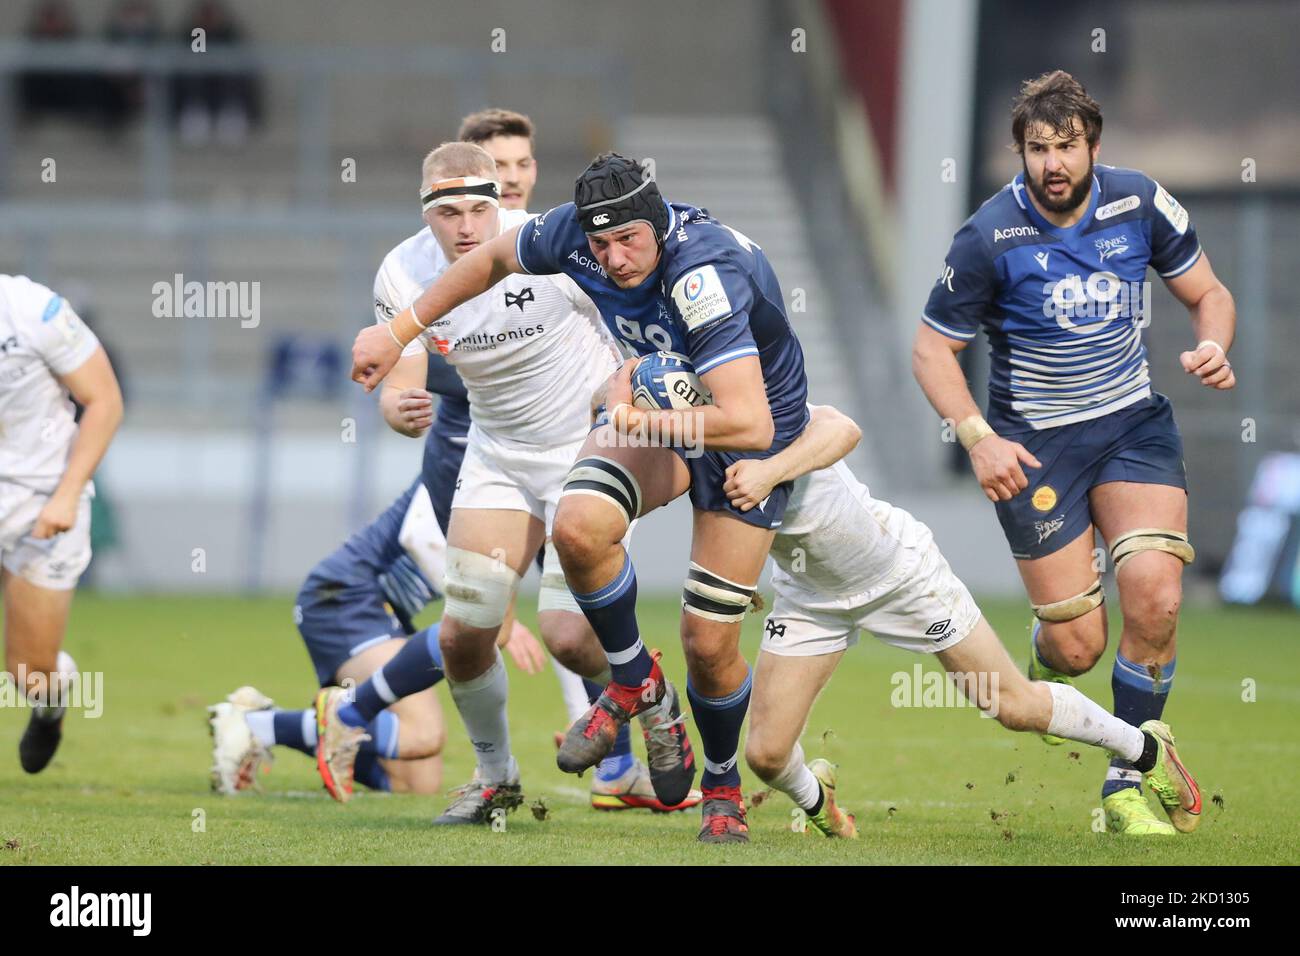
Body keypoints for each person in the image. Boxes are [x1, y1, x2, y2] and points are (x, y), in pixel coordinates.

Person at [350, 152, 810, 844]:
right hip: (649, 412)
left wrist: (631, 414)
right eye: (601, 244)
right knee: (578, 528)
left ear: (657, 225)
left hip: (748, 443)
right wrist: (397, 331)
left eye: (629, 240)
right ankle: (633, 682)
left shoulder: (701, 274)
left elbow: (750, 420)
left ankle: (722, 791)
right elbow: (492, 262)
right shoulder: (570, 237)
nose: (615, 259)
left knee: (708, 644)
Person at [322, 142, 701, 824]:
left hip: (588, 451)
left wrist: (631, 390)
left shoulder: (549, 248)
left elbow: (633, 321)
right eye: (448, 212)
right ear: (425, 213)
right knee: (464, 634)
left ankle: (656, 701)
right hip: (497, 454)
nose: (465, 224)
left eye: (478, 207)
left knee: (565, 636)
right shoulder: (401, 273)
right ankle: (496, 779)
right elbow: (400, 375)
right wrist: (396, 410)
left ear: (501, 203)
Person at [911, 70, 1234, 834]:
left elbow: (1208, 292)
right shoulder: (990, 234)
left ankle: (1125, 783)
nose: (1052, 163)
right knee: (1076, 648)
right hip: (1033, 450)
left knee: (1155, 597)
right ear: (1020, 153)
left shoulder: (1138, 201)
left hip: (1131, 427)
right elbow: (931, 350)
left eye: (1066, 146)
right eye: (1036, 149)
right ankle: (1049, 647)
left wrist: (1215, 342)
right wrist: (979, 441)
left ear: (1093, 145)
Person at [713, 404, 1201, 840]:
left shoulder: (768, 401)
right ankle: (821, 802)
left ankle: (1145, 748)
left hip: (902, 576)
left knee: (1012, 705)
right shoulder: (698, 446)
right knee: (766, 756)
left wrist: (769, 471)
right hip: (809, 598)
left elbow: (843, 428)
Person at [0, 275, 124, 772]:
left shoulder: (32, 309)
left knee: (28, 673)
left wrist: (68, 494)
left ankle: (51, 702)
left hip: (40, 503)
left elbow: (105, 401)